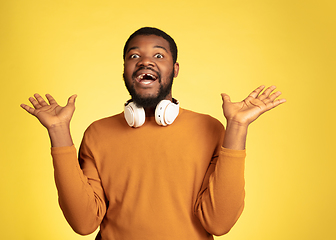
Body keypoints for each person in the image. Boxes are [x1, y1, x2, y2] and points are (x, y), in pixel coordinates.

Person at [20, 27, 286, 240]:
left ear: (175, 69)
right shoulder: (98, 133)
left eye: (159, 56)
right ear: (125, 70)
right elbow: (83, 223)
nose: (145, 61)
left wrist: (237, 127)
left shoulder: (211, 129)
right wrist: (58, 131)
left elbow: (219, 223)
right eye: (134, 56)